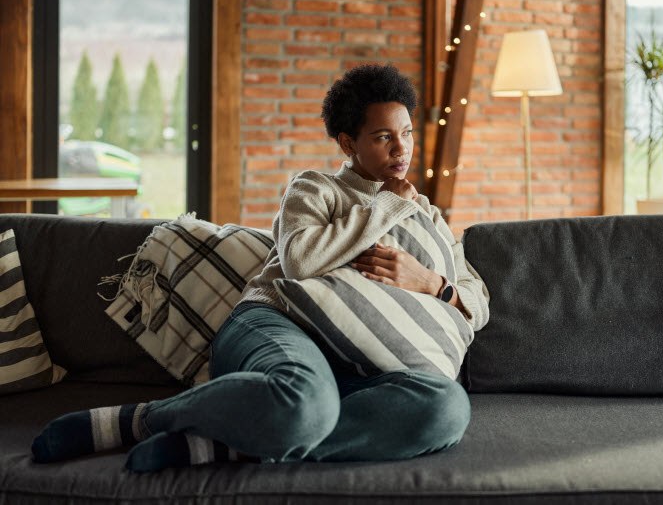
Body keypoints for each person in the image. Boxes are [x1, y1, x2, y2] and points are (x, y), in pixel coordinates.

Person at [31, 63, 490, 472]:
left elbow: (478, 297)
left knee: (446, 408)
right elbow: (301, 260)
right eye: (383, 136)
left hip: (367, 362)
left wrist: (432, 283)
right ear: (348, 142)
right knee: (304, 402)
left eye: (406, 132)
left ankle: (225, 449)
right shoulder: (316, 189)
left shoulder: (426, 213)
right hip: (279, 327)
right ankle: (140, 420)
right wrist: (386, 207)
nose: (401, 148)